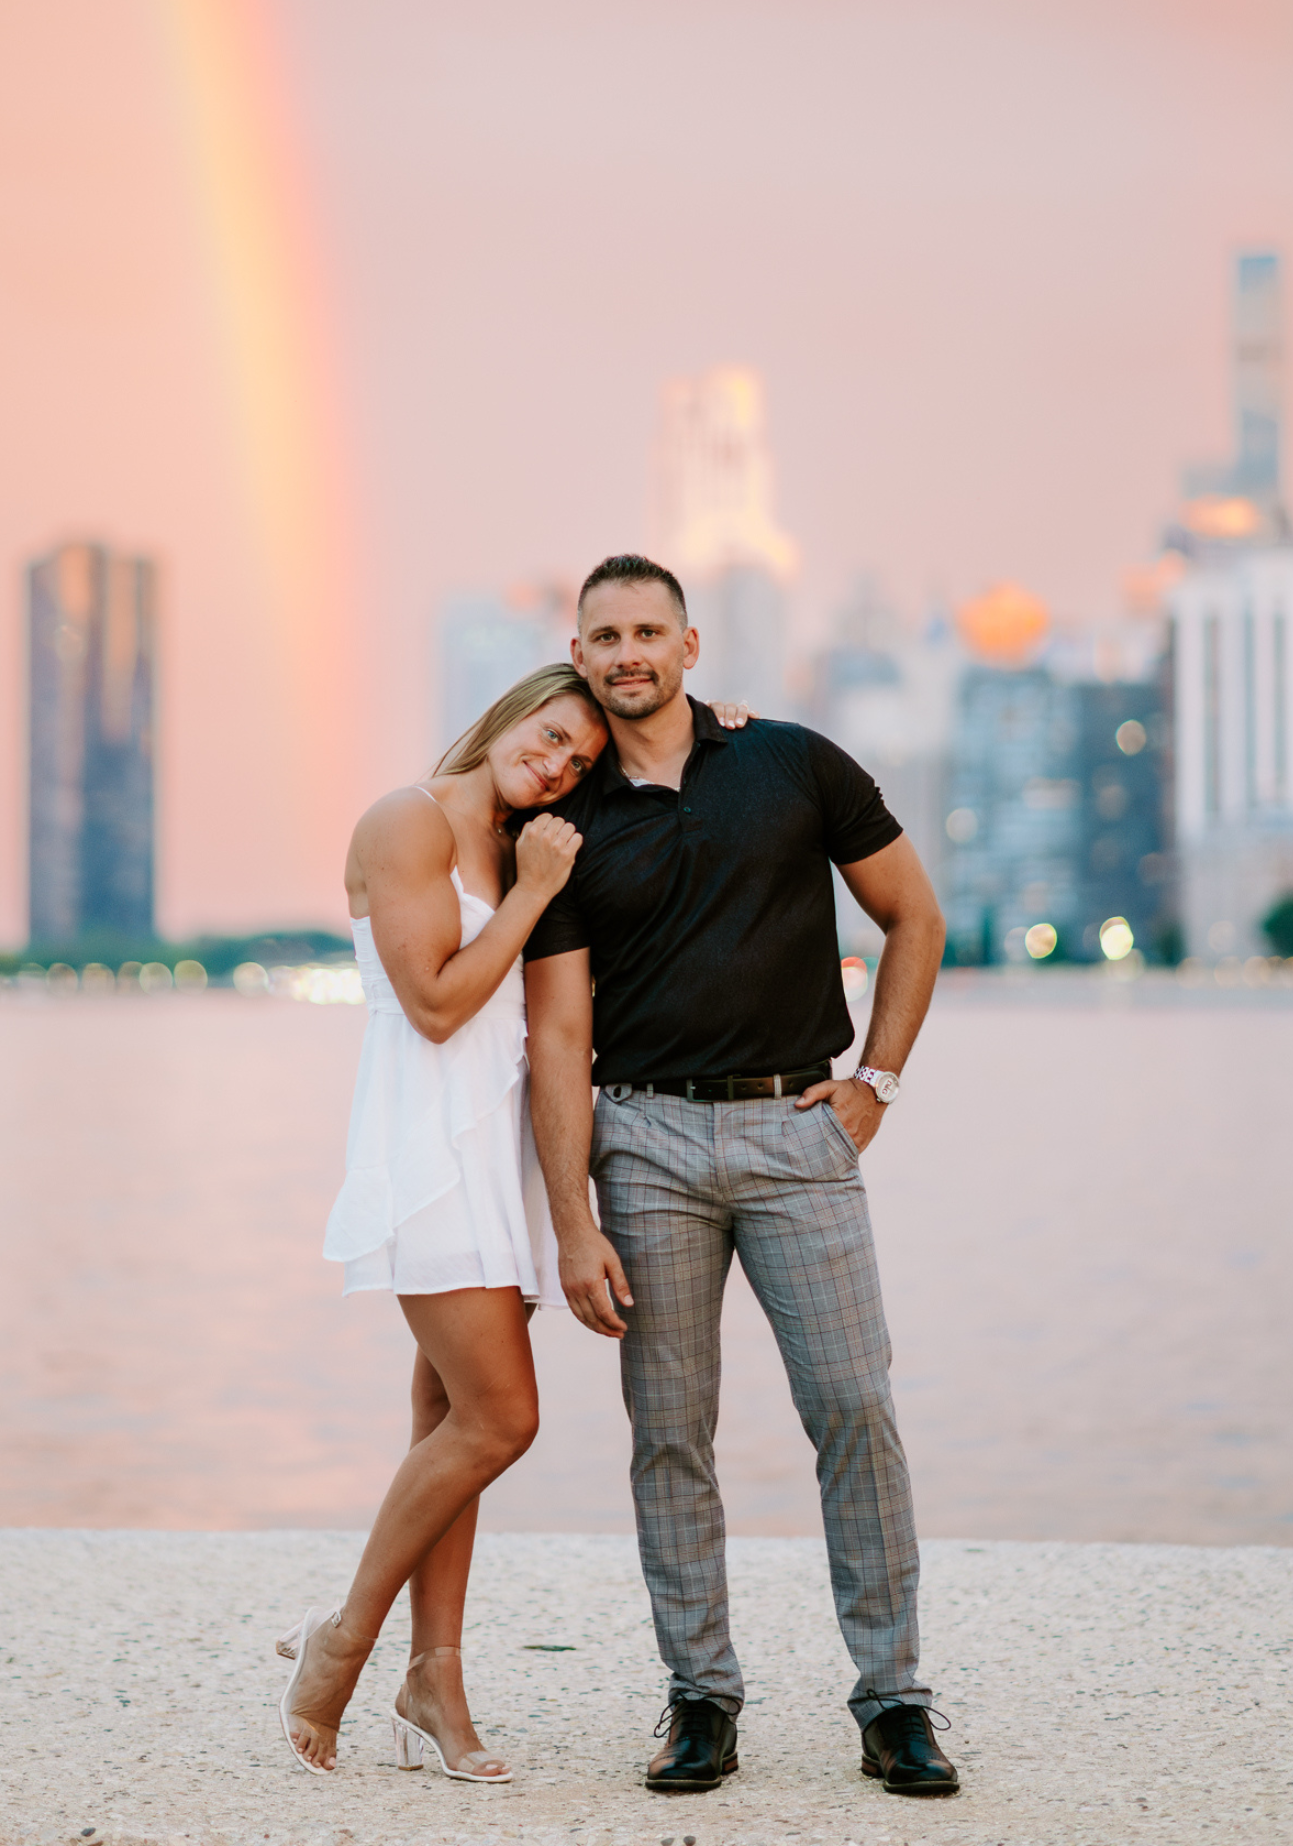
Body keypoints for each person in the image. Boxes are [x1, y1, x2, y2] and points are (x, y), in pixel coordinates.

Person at [524, 555, 960, 1799]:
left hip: (795, 1132)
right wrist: (571, 1220)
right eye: (604, 634)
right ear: (579, 650)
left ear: (691, 642)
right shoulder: (563, 820)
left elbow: (913, 918)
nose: (627, 653)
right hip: (644, 1147)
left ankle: (894, 1700)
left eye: (648, 629)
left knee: (855, 1413)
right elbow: (559, 1034)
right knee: (669, 1432)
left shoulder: (793, 760)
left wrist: (877, 1079)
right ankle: (701, 1697)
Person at [277, 661, 749, 1785]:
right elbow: (437, 1003)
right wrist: (534, 892)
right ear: (505, 719)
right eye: (548, 737)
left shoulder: (524, 840)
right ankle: (341, 1638)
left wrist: (721, 730)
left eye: (579, 761)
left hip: (501, 1162)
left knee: (448, 1422)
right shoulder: (410, 819)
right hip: (431, 1158)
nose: (558, 763)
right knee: (500, 1419)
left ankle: (433, 1678)